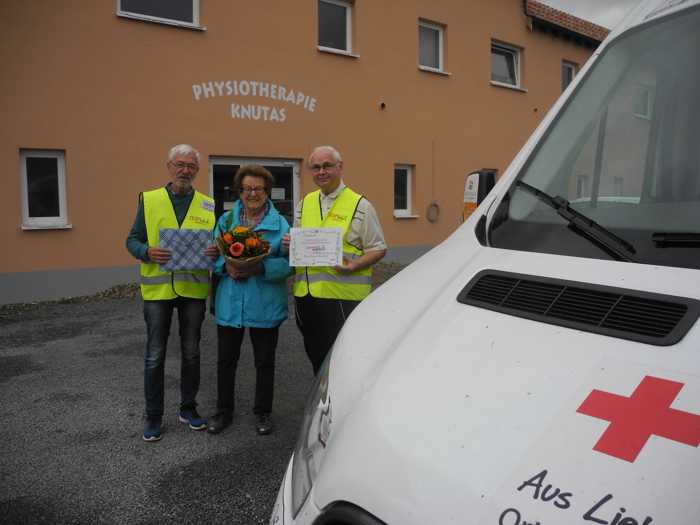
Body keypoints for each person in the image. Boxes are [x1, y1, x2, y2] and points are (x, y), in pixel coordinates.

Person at [126, 144, 219, 442]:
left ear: (197, 171)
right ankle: (153, 416)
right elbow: (132, 239)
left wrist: (216, 249)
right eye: (180, 164)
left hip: (192, 290)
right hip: (158, 291)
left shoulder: (207, 204)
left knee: (191, 353)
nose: (185, 170)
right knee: (155, 355)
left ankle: (188, 409)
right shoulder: (150, 199)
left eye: (191, 166)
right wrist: (146, 251)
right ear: (169, 166)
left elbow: (216, 242)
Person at [284, 145, 387, 374]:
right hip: (306, 296)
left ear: (340, 168)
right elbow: (300, 241)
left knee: (344, 360)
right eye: (316, 167)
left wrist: (356, 265)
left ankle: (344, 407)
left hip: (343, 298)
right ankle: (323, 406)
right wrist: (291, 243)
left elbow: (378, 248)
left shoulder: (361, 205)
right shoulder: (305, 203)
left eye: (327, 166)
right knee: (316, 357)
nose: (321, 171)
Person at [207, 165, 292, 436]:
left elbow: (291, 264)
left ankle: (263, 412)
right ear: (239, 192)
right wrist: (225, 266)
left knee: (264, 361)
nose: (252, 193)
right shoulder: (226, 222)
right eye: (247, 189)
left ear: (267, 192)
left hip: (264, 302)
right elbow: (214, 253)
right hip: (230, 302)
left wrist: (261, 268)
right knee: (225, 361)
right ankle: (223, 411)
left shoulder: (281, 225)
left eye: (258, 188)